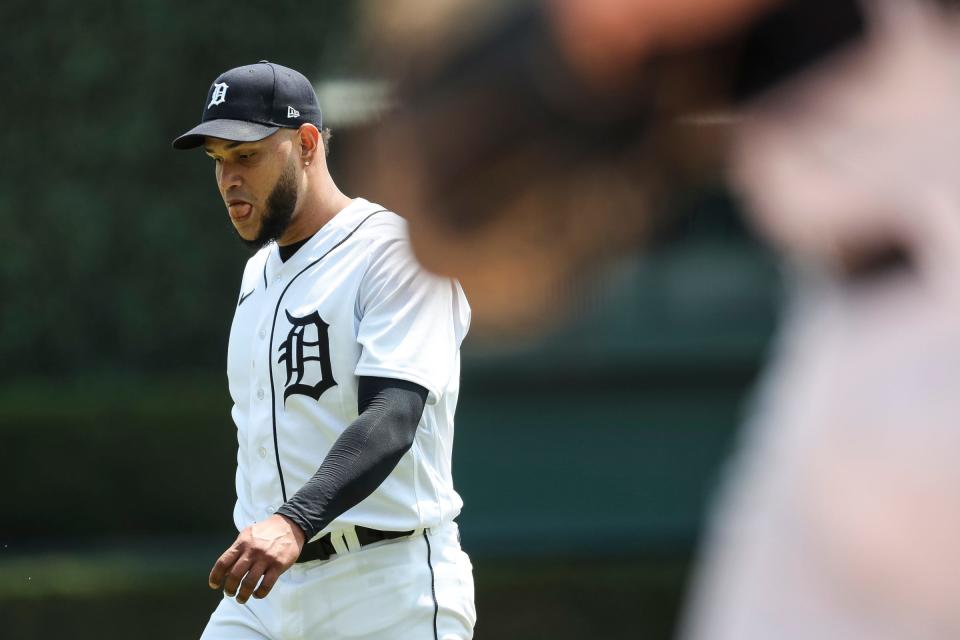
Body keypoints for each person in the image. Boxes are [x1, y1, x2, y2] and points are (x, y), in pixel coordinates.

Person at [172, 61, 475, 640]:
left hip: (387, 588)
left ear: (306, 144)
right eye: (217, 159)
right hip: (263, 596)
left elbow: (392, 416)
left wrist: (292, 521)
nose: (228, 179)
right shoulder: (257, 273)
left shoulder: (397, 253)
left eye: (247, 155)